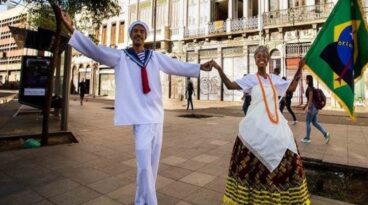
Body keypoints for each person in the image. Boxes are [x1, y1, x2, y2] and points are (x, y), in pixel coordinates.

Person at [60, 11, 212, 205]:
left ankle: (141, 200)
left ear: (145, 36)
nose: (138, 34)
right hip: (140, 118)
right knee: (144, 165)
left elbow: (176, 66)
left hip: (156, 116)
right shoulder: (121, 57)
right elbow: (95, 51)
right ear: (131, 36)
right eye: (135, 31)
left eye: (141, 31)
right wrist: (71, 28)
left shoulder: (154, 57)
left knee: (152, 164)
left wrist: (199, 67)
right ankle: (151, 202)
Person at [210, 46, 310, 205]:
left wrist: (299, 69)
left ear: (268, 59)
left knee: (287, 155)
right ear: (255, 60)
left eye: (264, 56)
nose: (261, 58)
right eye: (258, 57)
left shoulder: (274, 79)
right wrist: (219, 68)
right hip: (255, 127)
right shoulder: (250, 79)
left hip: (276, 126)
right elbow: (229, 85)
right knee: (252, 164)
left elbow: (291, 88)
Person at [301, 75, 330, 144]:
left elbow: (310, 98)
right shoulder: (312, 88)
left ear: (308, 80)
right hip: (316, 108)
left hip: (312, 107)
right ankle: (325, 134)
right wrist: (305, 106)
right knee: (315, 122)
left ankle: (308, 138)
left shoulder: (310, 88)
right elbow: (309, 99)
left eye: (306, 79)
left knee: (308, 122)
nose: (305, 80)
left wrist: (309, 108)